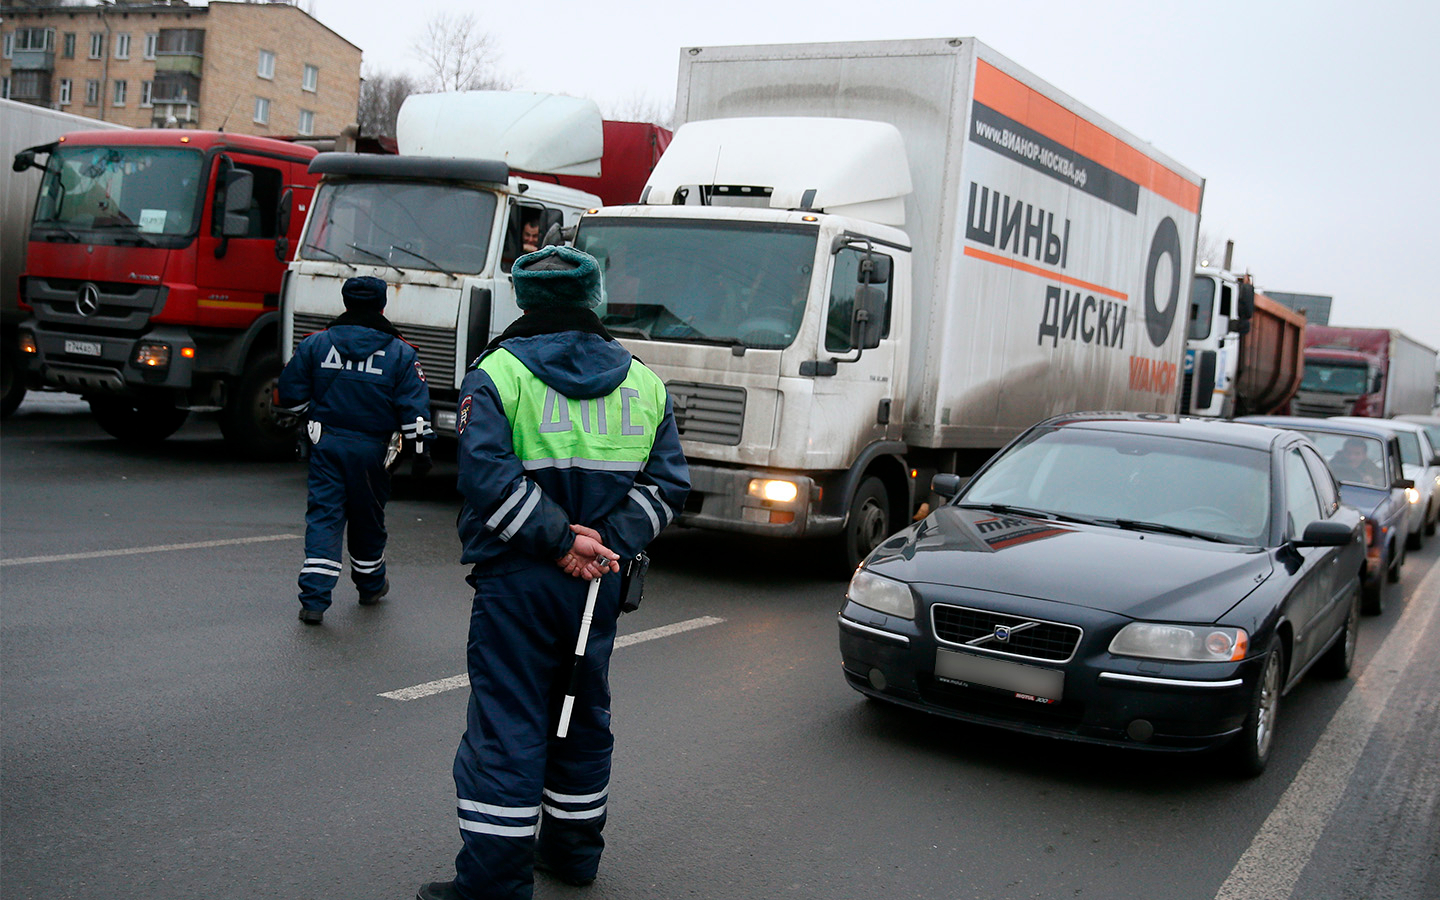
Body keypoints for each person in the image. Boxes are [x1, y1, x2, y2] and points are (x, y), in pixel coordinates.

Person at [418, 246, 689, 900]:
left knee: (509, 722)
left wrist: (556, 540)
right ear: (593, 297)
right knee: (581, 713)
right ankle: (572, 854)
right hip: (601, 582)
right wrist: (604, 543)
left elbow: (486, 477)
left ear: (526, 300)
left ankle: (491, 885)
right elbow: (668, 484)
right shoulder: (643, 381)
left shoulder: (497, 373)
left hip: (517, 579)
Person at [276, 275, 435, 625]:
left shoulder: (316, 344)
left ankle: (314, 600)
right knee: (368, 518)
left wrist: (313, 422)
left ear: (346, 303)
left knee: (324, 517)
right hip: (374, 450)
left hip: (326, 444)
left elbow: (290, 395)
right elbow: (414, 409)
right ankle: (370, 584)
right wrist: (421, 452)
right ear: (382, 305)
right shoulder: (401, 353)